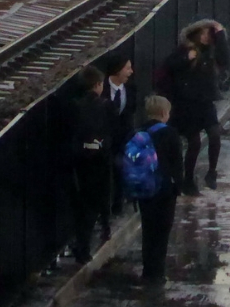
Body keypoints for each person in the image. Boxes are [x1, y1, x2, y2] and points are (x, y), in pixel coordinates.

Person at [165, 19, 230, 195]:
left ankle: (211, 173)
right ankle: (188, 180)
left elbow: (225, 58)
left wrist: (220, 33)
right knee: (194, 143)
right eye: (204, 34)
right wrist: (187, 58)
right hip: (187, 105)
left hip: (205, 103)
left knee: (215, 134)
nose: (207, 37)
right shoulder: (185, 50)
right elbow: (169, 66)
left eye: (209, 34)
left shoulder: (211, 52)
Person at [68, 66, 113, 264]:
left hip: (79, 159)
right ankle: (99, 233)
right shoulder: (105, 106)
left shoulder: (74, 106)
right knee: (97, 200)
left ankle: (81, 245)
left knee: (83, 203)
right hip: (100, 159)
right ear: (97, 85)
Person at [137, 94, 183, 284]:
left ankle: (147, 270)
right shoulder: (170, 134)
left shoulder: (140, 132)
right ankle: (158, 272)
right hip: (164, 190)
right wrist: (178, 187)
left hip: (144, 188)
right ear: (165, 113)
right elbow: (177, 164)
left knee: (148, 230)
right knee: (162, 231)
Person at [101, 52, 137, 221]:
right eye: (127, 68)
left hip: (122, 139)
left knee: (121, 168)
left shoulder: (130, 89)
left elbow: (130, 114)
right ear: (117, 70)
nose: (131, 72)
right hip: (104, 139)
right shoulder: (102, 88)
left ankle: (118, 203)